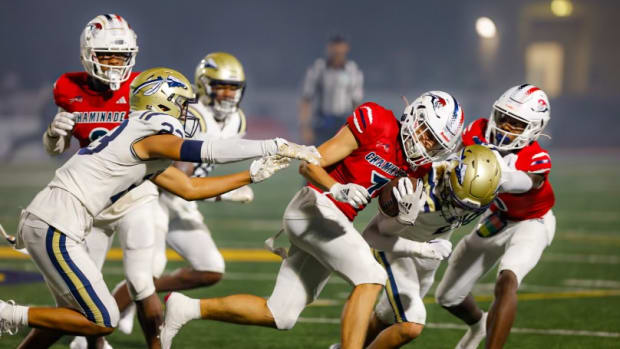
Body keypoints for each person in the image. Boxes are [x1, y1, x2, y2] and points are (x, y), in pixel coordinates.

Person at [0, 67, 320, 348]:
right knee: (104, 318)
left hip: (54, 222)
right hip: (56, 225)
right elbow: (207, 150)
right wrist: (275, 144)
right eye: (181, 104)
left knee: (71, 317)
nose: (184, 114)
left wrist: (251, 175)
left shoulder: (139, 140)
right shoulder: (148, 134)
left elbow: (190, 188)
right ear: (162, 100)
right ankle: (5, 313)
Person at [160, 91, 465, 349]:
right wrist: (337, 187)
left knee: (280, 314)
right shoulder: (377, 121)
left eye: (434, 144)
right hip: (313, 207)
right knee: (371, 276)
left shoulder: (415, 168)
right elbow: (308, 163)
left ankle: (186, 308)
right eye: (425, 132)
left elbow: (382, 221)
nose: (425, 145)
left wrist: (402, 213)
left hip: (334, 223)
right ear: (414, 114)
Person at [111, 52, 253, 335]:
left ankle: (128, 296)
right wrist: (221, 194)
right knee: (149, 269)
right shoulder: (191, 116)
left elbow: (199, 176)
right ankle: (89, 334)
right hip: (155, 197)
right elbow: (178, 178)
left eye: (233, 87)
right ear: (203, 85)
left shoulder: (237, 120)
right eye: (221, 85)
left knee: (210, 268)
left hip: (182, 203)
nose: (228, 93)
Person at [41, 14, 159, 349]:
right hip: (91, 201)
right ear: (88, 53)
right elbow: (56, 149)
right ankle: (93, 345)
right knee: (86, 289)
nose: (113, 65)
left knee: (140, 280)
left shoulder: (142, 87)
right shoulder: (67, 86)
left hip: (135, 196)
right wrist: (53, 134)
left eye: (120, 57)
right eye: (106, 55)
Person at [434, 84, 555, 349]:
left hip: (532, 222)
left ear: (534, 128)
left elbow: (528, 182)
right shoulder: (476, 132)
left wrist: (498, 177)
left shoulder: (535, 157)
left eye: (516, 124)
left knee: (507, 280)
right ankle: (479, 325)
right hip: (497, 218)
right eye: (503, 118)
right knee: (448, 296)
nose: (505, 127)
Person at [355, 144, 502, 349]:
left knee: (387, 316)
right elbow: (371, 236)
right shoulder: (420, 187)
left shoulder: (480, 188)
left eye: (468, 208)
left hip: (428, 260)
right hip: (396, 251)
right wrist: (408, 229)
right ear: (452, 180)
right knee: (411, 323)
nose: (461, 213)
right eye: (460, 204)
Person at [299, 35, 364, 145]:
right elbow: (306, 98)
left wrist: (358, 128)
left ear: (346, 48)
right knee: (318, 156)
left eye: (340, 48)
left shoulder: (353, 71)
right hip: (322, 120)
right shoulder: (318, 69)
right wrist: (305, 127)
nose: (337, 52)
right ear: (329, 48)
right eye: (335, 48)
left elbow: (356, 102)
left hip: (344, 121)